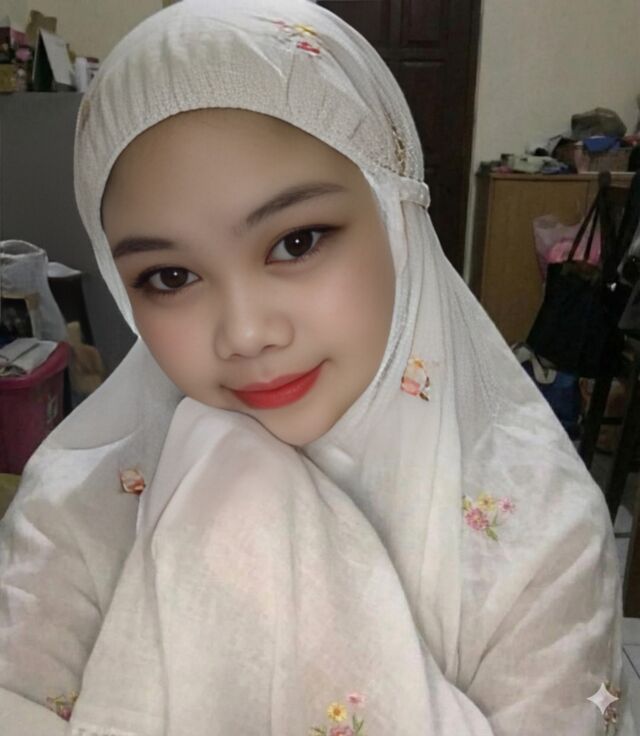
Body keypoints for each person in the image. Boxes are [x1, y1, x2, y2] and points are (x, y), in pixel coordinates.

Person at [0, 1, 634, 733]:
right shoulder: (79, 507)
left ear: (397, 218)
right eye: (169, 278)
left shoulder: (540, 533)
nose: (245, 333)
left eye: (297, 242)